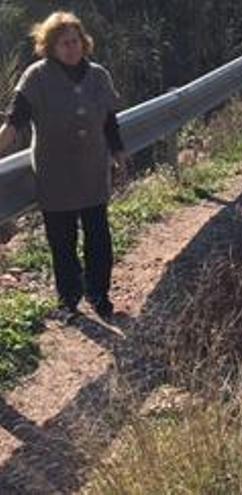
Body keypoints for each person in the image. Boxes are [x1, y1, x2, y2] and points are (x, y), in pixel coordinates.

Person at [0, 11, 128, 320]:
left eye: (75, 42)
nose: (71, 48)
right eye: (63, 44)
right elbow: (15, 121)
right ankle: (69, 299)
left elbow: (109, 122)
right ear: (50, 47)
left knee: (98, 237)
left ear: (84, 43)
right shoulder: (36, 77)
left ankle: (99, 295)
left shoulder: (99, 76)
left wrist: (118, 154)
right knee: (62, 241)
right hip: (54, 174)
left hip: (92, 172)